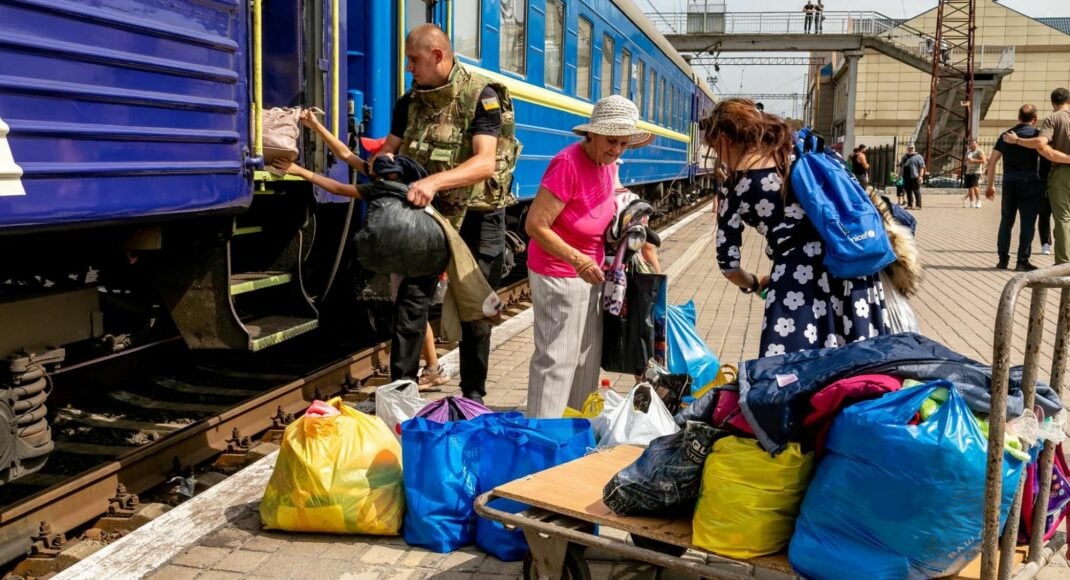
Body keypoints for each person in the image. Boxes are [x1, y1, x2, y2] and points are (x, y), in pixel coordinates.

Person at [352, 24, 517, 402]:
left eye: (414, 59)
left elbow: (485, 162)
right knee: (410, 305)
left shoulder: (482, 96)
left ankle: (472, 398)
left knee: (476, 311)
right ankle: (401, 397)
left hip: (477, 216)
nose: (409, 68)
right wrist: (381, 162)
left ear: (437, 56)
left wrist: (433, 182)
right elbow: (389, 150)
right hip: (427, 219)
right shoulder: (409, 102)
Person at [706, 99, 888, 356]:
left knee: (793, 375)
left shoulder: (737, 185)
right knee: (861, 368)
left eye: (716, 148)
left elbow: (729, 265)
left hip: (796, 280)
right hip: (851, 265)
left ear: (725, 138)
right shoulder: (811, 150)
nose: (720, 158)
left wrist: (755, 283)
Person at [270, 151, 451, 388]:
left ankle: (414, 378)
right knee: (416, 313)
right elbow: (346, 155)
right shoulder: (411, 185)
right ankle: (432, 367)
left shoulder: (377, 189)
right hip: (425, 257)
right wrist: (315, 126)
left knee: (409, 317)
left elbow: (337, 188)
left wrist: (301, 171)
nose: (366, 162)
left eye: (371, 163)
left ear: (376, 174)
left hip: (402, 261)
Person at [525, 95, 653, 418]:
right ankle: (543, 435)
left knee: (585, 359)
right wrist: (577, 260)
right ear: (592, 134)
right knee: (557, 358)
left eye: (624, 143)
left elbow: (605, 205)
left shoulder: (607, 165)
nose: (617, 150)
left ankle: (576, 428)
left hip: (593, 272)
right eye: (612, 141)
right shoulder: (567, 164)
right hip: (559, 272)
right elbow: (535, 224)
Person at [1003, 88, 1070, 264]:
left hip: (1062, 173)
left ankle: (1064, 263)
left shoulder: (1054, 118)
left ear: (1053, 103)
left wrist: (1017, 140)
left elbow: (1040, 143)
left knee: (1062, 218)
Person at [986, 105, 1043, 272]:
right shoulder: (1036, 135)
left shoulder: (1005, 135)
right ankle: (1022, 261)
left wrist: (990, 186)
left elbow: (992, 162)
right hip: (1030, 182)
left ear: (1018, 117)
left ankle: (1002, 260)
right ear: (1034, 119)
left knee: (1006, 221)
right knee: (1028, 222)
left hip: (1009, 182)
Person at [898, 144, 926, 209]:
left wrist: (920, 176)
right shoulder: (905, 157)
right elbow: (901, 166)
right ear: (907, 149)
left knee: (916, 190)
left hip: (915, 176)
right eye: (909, 148)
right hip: (906, 176)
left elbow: (922, 167)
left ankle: (918, 205)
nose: (911, 149)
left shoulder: (918, 157)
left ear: (914, 149)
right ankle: (910, 204)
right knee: (908, 191)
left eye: (912, 148)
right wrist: (899, 175)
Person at [964, 139, 986, 208]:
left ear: (977, 144)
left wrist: (974, 160)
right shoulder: (968, 152)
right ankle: (971, 203)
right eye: (970, 144)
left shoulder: (979, 151)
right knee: (970, 188)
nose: (972, 145)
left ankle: (978, 201)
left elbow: (983, 160)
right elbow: (965, 161)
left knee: (976, 187)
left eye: (973, 143)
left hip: (976, 171)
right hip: (968, 171)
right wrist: (966, 162)